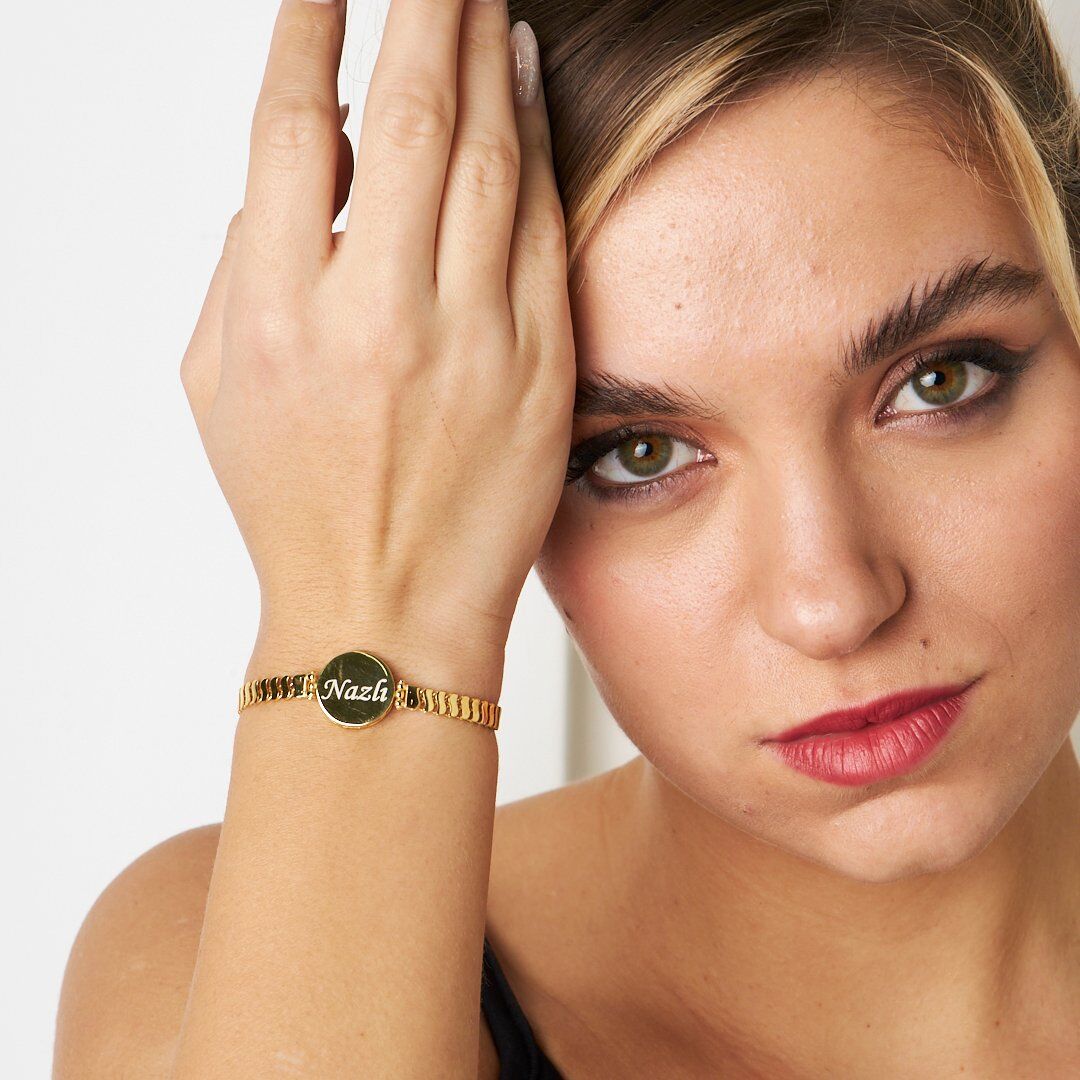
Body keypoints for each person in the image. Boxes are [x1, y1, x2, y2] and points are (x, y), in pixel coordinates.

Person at [53, 0, 1080, 1075]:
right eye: (639, 454)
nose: (833, 603)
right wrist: (370, 602)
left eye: (939, 381)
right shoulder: (201, 974)